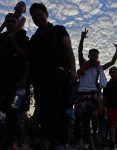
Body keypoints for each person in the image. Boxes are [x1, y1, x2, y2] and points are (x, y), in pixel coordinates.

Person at [29, 3, 77, 150]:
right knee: (43, 110)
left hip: (59, 75)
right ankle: (48, 140)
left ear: (46, 14)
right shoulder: (34, 38)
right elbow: (29, 60)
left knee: (60, 109)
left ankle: (62, 142)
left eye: (40, 14)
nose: (38, 18)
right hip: (39, 80)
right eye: (34, 17)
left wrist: (73, 71)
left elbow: (68, 49)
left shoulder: (59, 30)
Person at [75, 28, 117, 150]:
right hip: (81, 95)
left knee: (95, 116)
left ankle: (94, 136)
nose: (94, 56)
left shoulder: (99, 68)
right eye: (92, 55)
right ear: (89, 55)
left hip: (93, 94)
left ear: (98, 57)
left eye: (96, 55)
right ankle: (86, 142)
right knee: (83, 120)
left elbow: (112, 62)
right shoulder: (83, 64)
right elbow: (79, 51)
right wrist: (82, 39)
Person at [0, 13, 29, 149]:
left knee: (14, 111)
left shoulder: (23, 37)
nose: (11, 23)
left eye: (13, 21)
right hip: (2, 82)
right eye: (8, 21)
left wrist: (13, 40)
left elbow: (26, 56)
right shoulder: (1, 38)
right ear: (5, 23)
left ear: (18, 23)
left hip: (18, 84)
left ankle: (12, 141)